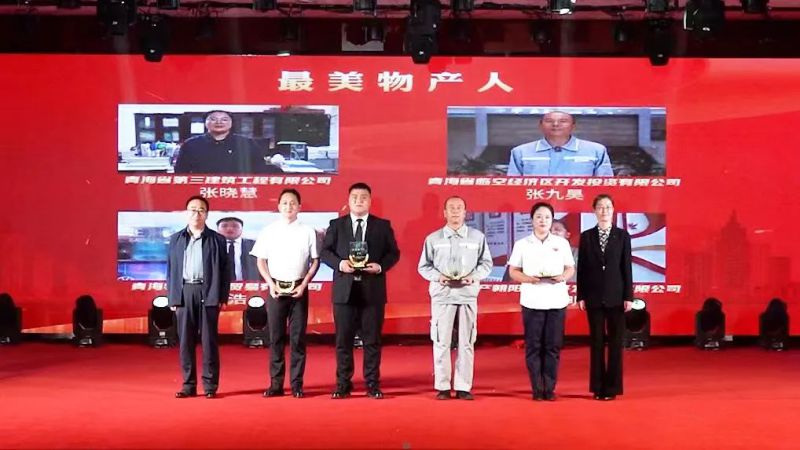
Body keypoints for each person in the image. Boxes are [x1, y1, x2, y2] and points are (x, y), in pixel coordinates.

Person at [320, 182, 400, 399]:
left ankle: (372, 384)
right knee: (343, 341)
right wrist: (340, 264)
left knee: (372, 341)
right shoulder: (336, 225)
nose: (359, 201)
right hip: (344, 291)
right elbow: (325, 252)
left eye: (363, 197)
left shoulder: (382, 226)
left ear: (370, 201)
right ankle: (343, 384)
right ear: (348, 200)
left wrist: (380, 266)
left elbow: (393, 253)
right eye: (354, 197)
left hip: (372, 290)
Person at [417, 196, 493, 401]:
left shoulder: (477, 237)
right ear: (444, 213)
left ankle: (463, 386)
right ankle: (442, 386)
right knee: (441, 341)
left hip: (467, 295)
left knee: (466, 342)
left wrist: (473, 276)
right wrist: (438, 277)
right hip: (443, 295)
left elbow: (486, 264)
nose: (455, 211)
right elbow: (424, 266)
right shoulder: (433, 238)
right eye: (451, 208)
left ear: (465, 212)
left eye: (459, 208)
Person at [250, 189, 320, 399]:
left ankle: (297, 384)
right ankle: (276, 384)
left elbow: (315, 261)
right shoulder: (269, 231)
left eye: (293, 203)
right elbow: (260, 260)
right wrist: (270, 284)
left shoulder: (308, 231)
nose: (289, 206)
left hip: (299, 290)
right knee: (276, 338)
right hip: (276, 290)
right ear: (279, 206)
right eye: (285, 203)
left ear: (299, 207)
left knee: (298, 339)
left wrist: (304, 284)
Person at [508, 202, 575, 401]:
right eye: (539, 217)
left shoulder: (561, 243)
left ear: (552, 220)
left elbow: (570, 268)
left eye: (547, 217)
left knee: (553, 346)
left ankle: (550, 388)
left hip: (556, 300)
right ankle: (537, 388)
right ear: (532, 220)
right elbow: (513, 271)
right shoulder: (522, 244)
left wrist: (562, 277)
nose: (543, 220)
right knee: (534, 346)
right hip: (532, 300)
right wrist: (528, 279)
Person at [166, 195, 231, 399]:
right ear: (186, 213)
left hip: (208, 291)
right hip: (184, 292)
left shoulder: (217, 239)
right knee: (185, 341)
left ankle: (210, 386)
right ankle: (188, 385)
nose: (197, 213)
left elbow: (225, 270)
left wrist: (222, 296)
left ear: (207, 214)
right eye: (193, 210)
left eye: (201, 210)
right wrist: (173, 297)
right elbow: (171, 269)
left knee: (209, 341)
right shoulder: (176, 239)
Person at [576, 194, 633, 401]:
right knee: (597, 342)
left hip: (616, 296)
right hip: (593, 296)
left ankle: (613, 387)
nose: (604, 211)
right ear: (594, 211)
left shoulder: (623, 236)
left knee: (616, 343)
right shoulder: (586, 236)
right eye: (600, 207)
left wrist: (628, 296)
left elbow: (626, 267)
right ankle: (598, 387)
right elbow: (581, 268)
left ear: (613, 210)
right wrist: (581, 295)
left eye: (608, 207)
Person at [507, 111, 614, 177]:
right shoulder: (520, 152)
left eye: (563, 121)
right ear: (540, 125)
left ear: (573, 126)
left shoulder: (596, 151)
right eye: (549, 121)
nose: (556, 124)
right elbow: (512, 187)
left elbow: (607, 186)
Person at [173, 110, 278, 174]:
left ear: (231, 123)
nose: (219, 122)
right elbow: (180, 172)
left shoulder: (247, 143)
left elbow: (259, 170)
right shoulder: (190, 145)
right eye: (213, 119)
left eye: (224, 119)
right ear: (205, 122)